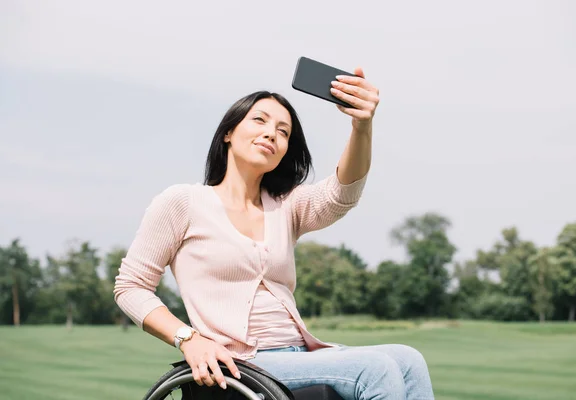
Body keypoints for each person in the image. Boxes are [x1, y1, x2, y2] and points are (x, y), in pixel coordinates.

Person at [114, 67, 435, 400]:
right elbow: (130, 287)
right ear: (228, 132)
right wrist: (188, 338)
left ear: (284, 150)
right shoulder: (183, 202)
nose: (272, 134)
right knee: (376, 369)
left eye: (283, 131)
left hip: (300, 354)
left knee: (409, 360)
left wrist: (361, 125)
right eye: (260, 121)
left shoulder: (286, 206)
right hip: (244, 362)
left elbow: (343, 194)